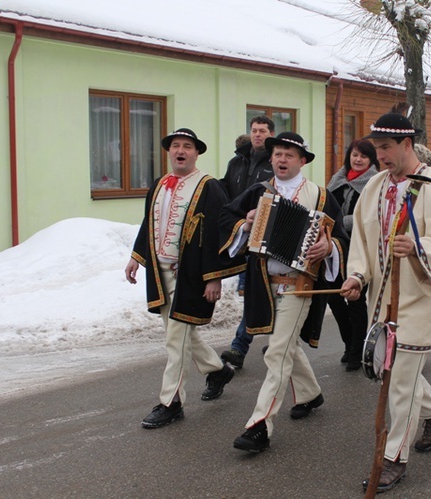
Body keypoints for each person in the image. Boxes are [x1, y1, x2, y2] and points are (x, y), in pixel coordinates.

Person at [339, 113, 431, 493]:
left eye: (387, 148)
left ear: (407, 144)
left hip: (423, 297)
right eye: (376, 148)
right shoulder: (376, 186)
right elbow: (361, 237)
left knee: (399, 381)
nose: (380, 157)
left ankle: (393, 458)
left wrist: (417, 248)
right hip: (383, 298)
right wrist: (357, 276)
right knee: (393, 372)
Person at [220, 132, 349, 453]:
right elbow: (226, 219)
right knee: (284, 347)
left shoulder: (320, 197)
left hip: (299, 287)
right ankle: (309, 393)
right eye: (277, 153)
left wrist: (329, 246)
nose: (281, 159)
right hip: (263, 285)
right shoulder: (258, 193)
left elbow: (343, 238)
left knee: (276, 351)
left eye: (289, 154)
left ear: (302, 160)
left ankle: (259, 424)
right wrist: (245, 224)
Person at [125, 128, 241, 429]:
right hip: (159, 274)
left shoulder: (209, 187)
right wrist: (137, 258)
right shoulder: (160, 184)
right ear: (169, 151)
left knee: (175, 341)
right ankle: (217, 371)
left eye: (187, 146)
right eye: (176, 145)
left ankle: (171, 402)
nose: (181, 150)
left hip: (188, 276)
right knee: (183, 334)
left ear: (196, 152)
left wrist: (213, 278)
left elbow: (218, 233)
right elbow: (148, 223)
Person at [219, 116, 276, 369]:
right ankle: (274, 341)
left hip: (267, 238)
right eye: (254, 130)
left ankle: (241, 346)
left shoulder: (276, 163)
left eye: (262, 131)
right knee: (256, 293)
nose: (257, 135)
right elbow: (227, 192)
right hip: (239, 234)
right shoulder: (236, 162)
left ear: (271, 134)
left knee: (259, 292)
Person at [325, 139, 379, 371]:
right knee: (335, 298)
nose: (357, 159)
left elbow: (368, 218)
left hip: (359, 249)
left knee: (355, 300)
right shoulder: (337, 180)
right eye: (354, 154)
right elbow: (325, 206)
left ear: (371, 161)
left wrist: (337, 223)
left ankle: (357, 352)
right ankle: (349, 344)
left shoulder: (374, 184)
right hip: (334, 250)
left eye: (363, 156)